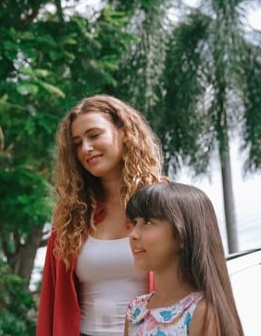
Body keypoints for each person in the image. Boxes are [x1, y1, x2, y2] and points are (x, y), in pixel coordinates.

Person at [36, 94, 166, 336]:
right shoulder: (70, 215)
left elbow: (199, 284)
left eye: (94, 135)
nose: (86, 148)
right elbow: (51, 301)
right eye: (77, 142)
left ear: (124, 131)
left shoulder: (165, 201)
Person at [124, 182, 243, 336]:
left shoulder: (202, 313)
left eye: (148, 222)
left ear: (182, 236)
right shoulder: (136, 309)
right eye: (134, 223)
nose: (133, 234)